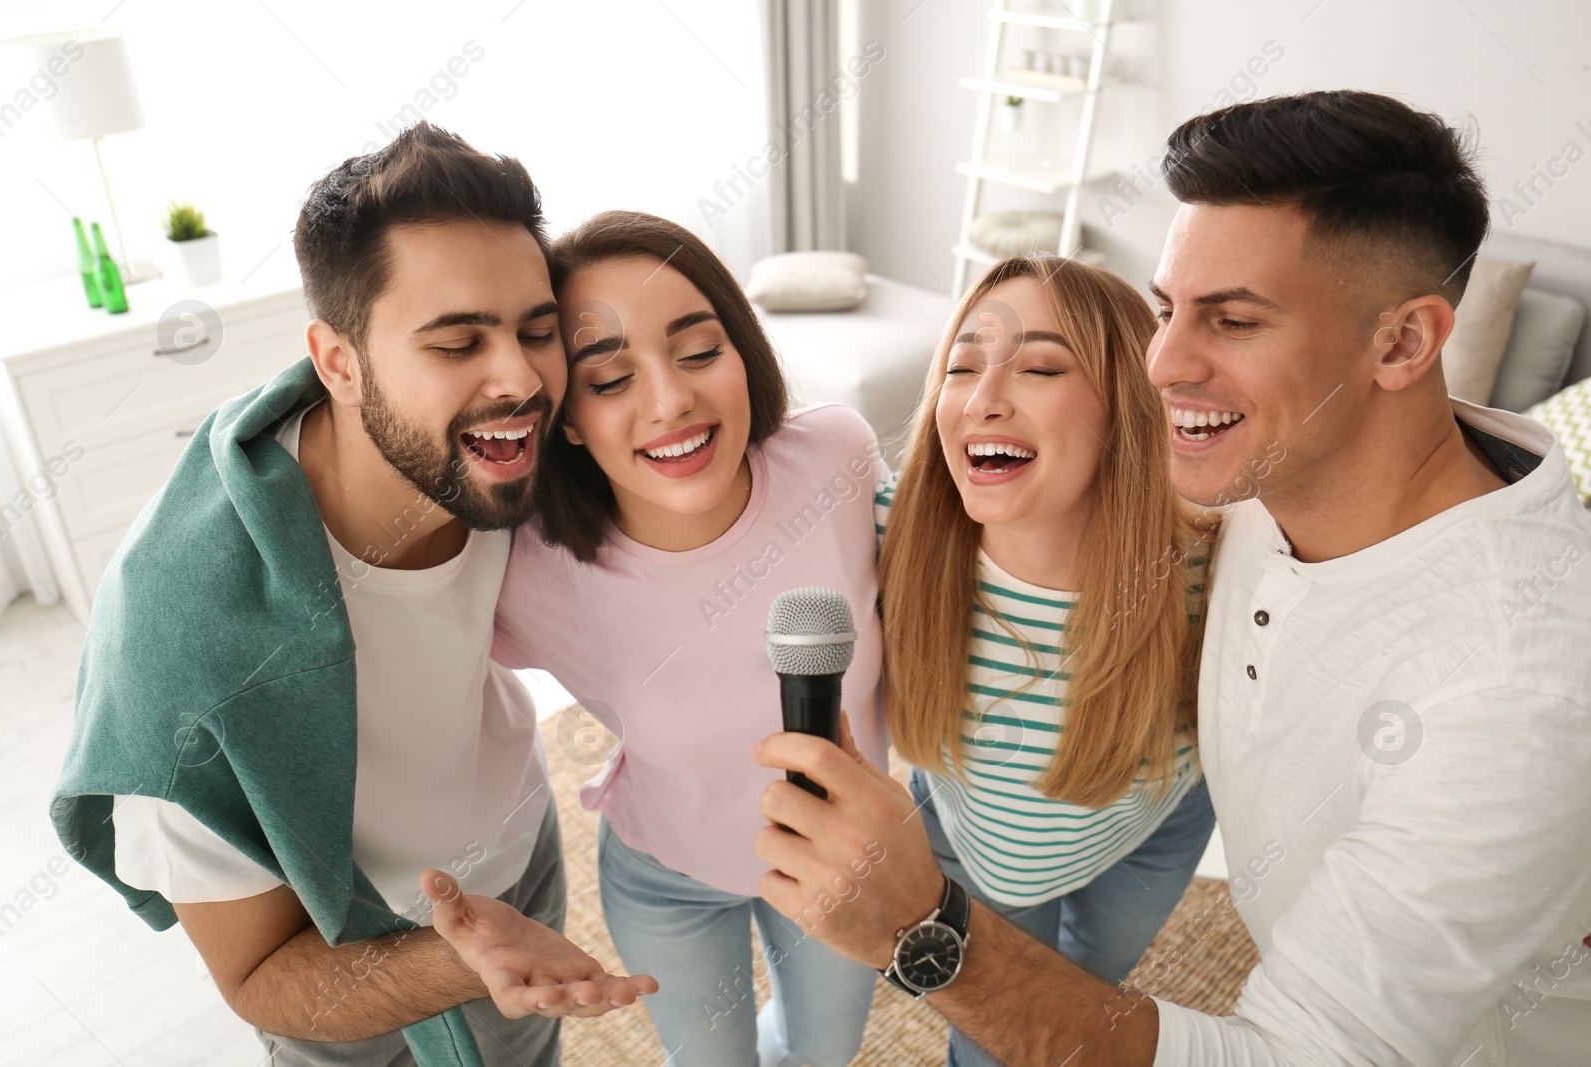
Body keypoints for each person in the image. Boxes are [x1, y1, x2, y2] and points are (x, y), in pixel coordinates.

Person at [750, 90, 1591, 1065]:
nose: (1159, 363)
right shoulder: (1253, 475)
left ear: (1402, 341)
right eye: (1164, 309)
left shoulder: (1509, 687)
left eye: (1231, 321)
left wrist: (924, 929)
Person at [50, 122, 655, 1067]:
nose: (522, 378)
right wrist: (454, 958)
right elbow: (258, 973)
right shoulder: (189, 644)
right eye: (458, 342)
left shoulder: (512, 452)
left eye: (538, 331)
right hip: (336, 953)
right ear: (337, 362)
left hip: (517, 850)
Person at [489, 210, 889, 1067]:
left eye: (699, 351)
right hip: (666, 874)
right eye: (610, 379)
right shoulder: (527, 568)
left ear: (743, 351)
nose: (670, 401)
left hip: (840, 863)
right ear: (563, 417)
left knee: (824, 1055)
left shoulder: (839, 461)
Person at [874, 254, 1217, 1066]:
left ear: (1126, 411)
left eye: (1039, 366)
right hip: (970, 832)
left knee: (1078, 1002)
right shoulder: (888, 532)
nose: (984, 398)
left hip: (1154, 823)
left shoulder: (1216, 563)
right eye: (961, 367)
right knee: (996, 1031)